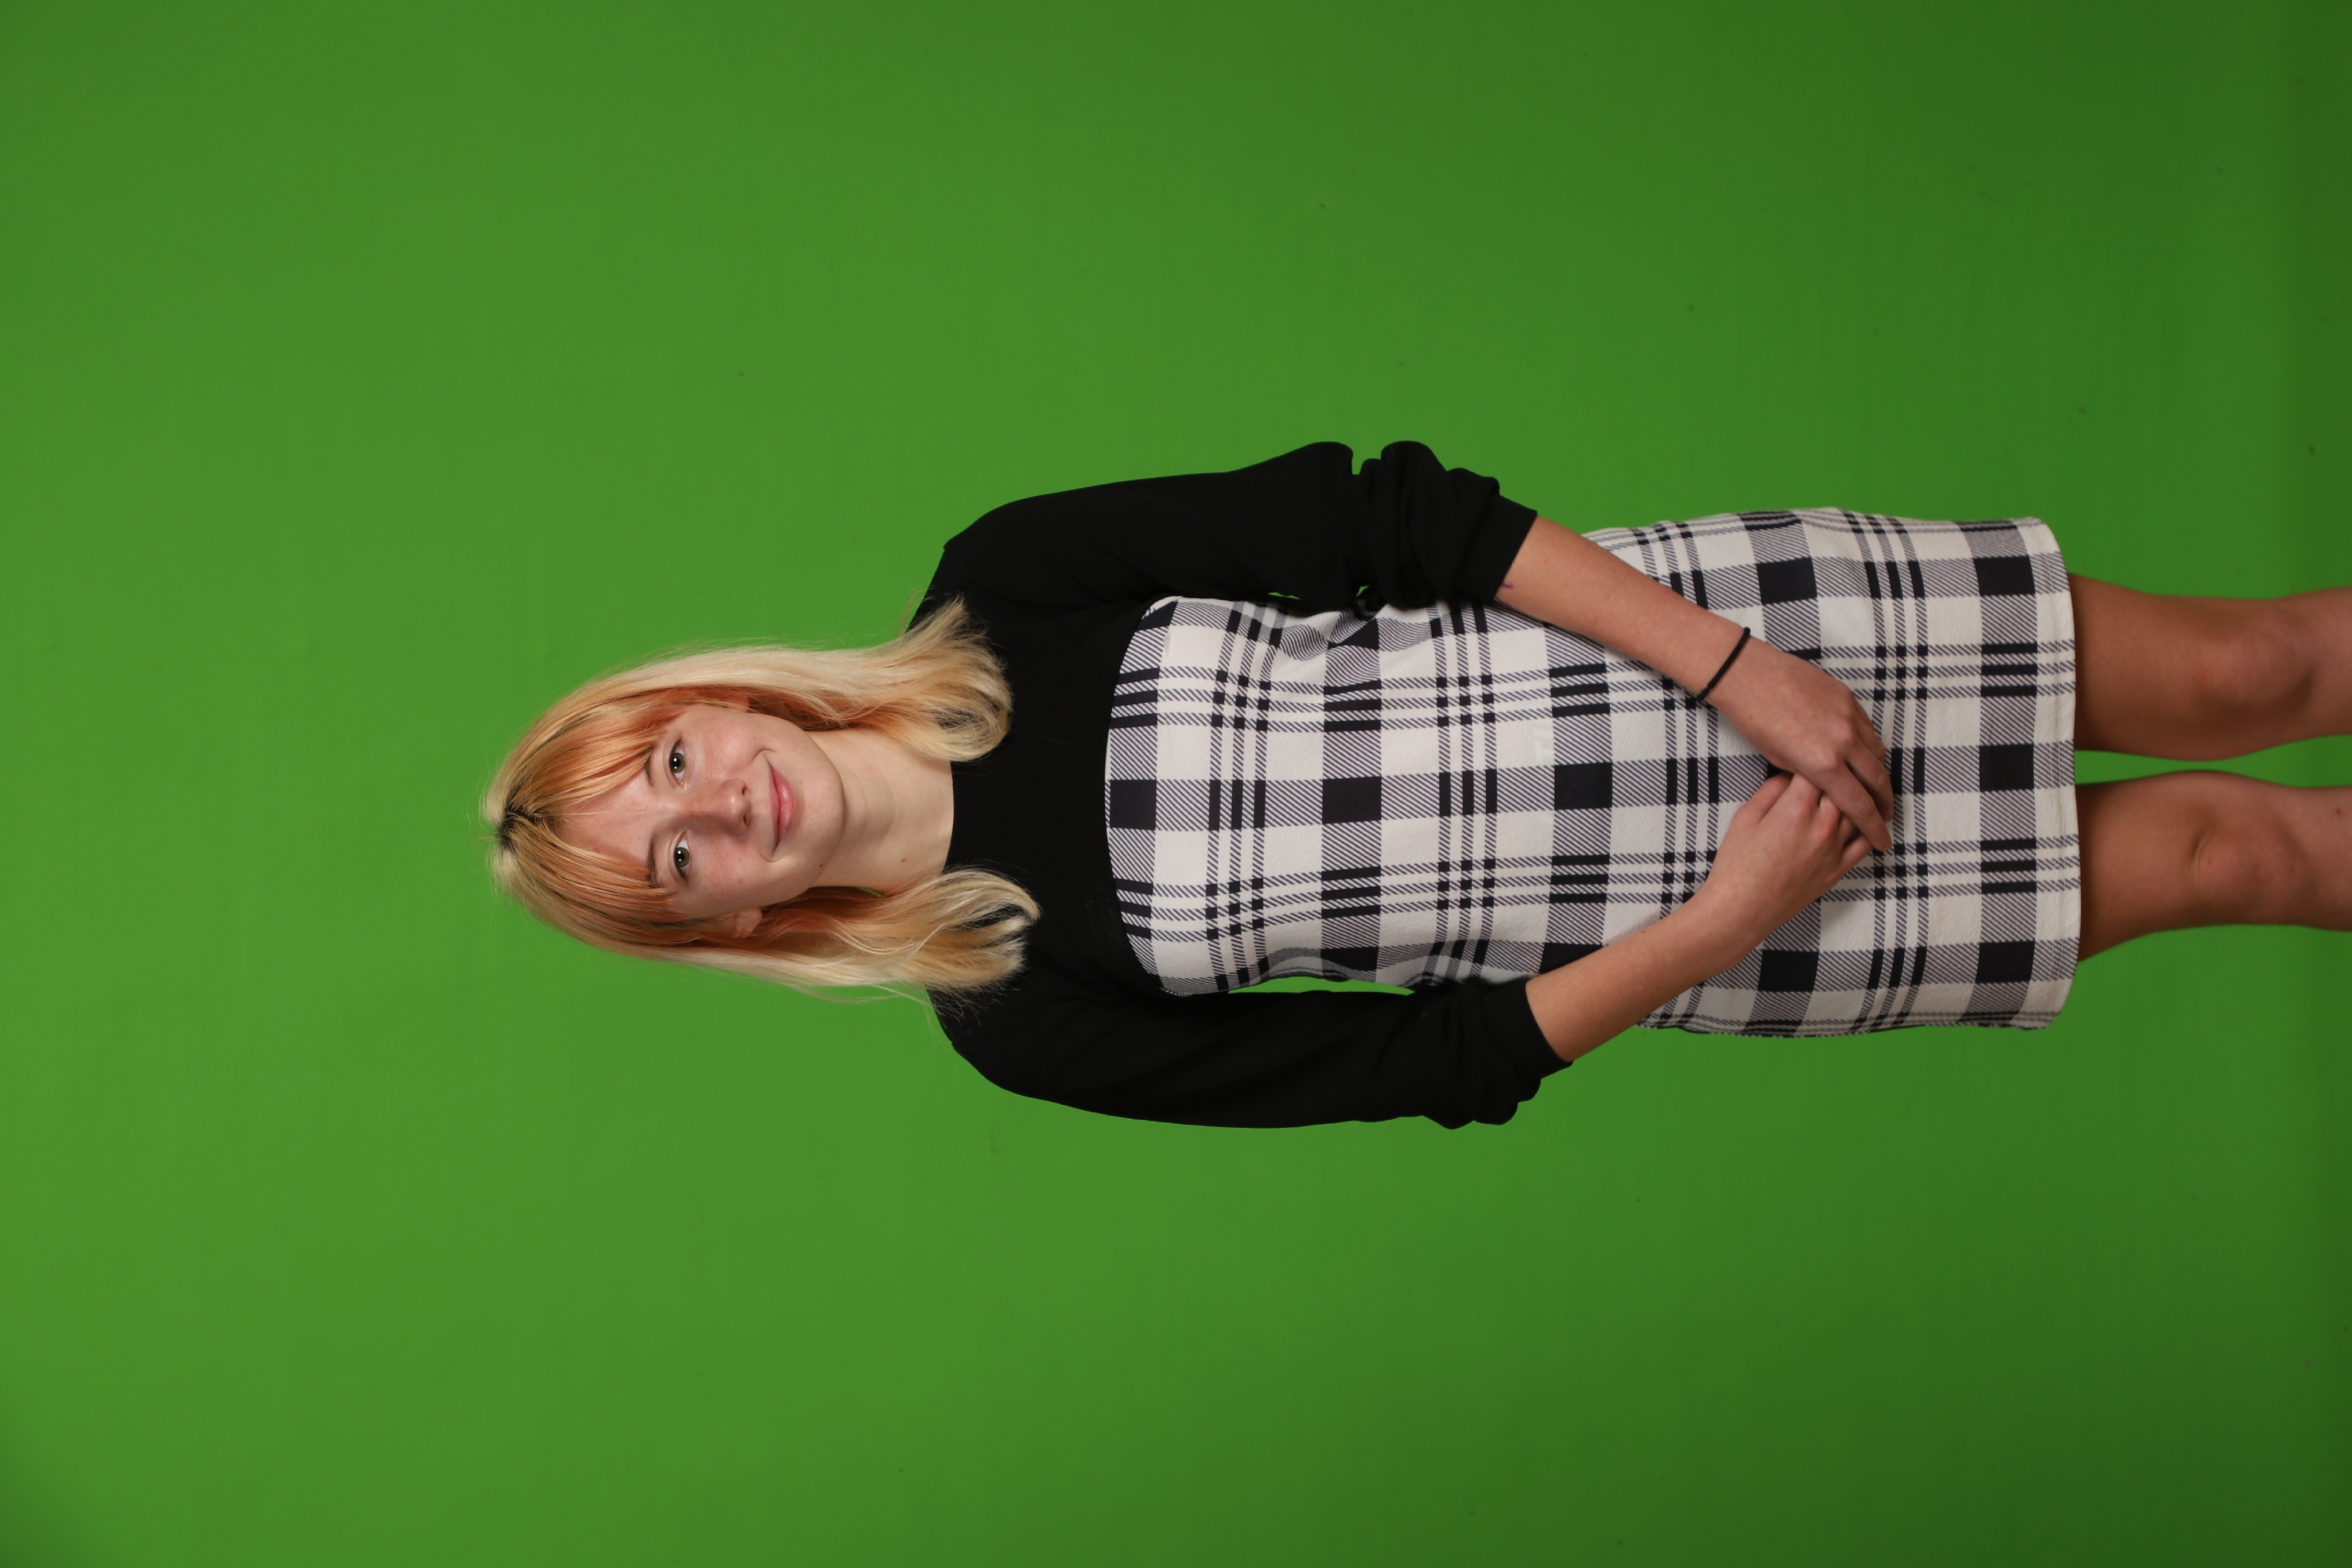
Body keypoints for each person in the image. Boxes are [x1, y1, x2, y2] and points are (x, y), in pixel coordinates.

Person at [485, 442, 2352, 1128]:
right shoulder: (1015, 1011)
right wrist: (1726, 923)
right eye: (678, 860)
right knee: (2242, 861)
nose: (719, 809)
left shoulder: (1009, 584)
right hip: (1756, 908)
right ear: (728, 924)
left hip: (1721, 641)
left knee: (2256, 670)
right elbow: (1420, 1066)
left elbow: (1396, 519)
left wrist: (1735, 665)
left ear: (711, 699)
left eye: (675, 762)